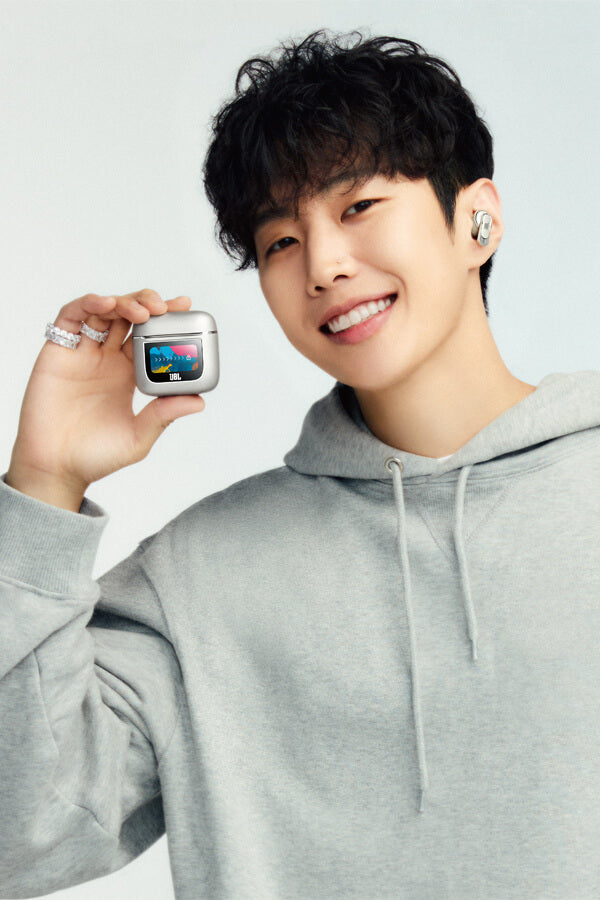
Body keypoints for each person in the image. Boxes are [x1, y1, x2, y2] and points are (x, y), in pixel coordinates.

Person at [1, 29, 598, 900]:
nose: (323, 265)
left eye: (359, 207)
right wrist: (43, 485)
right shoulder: (198, 578)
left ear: (479, 220)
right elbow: (21, 836)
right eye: (280, 241)